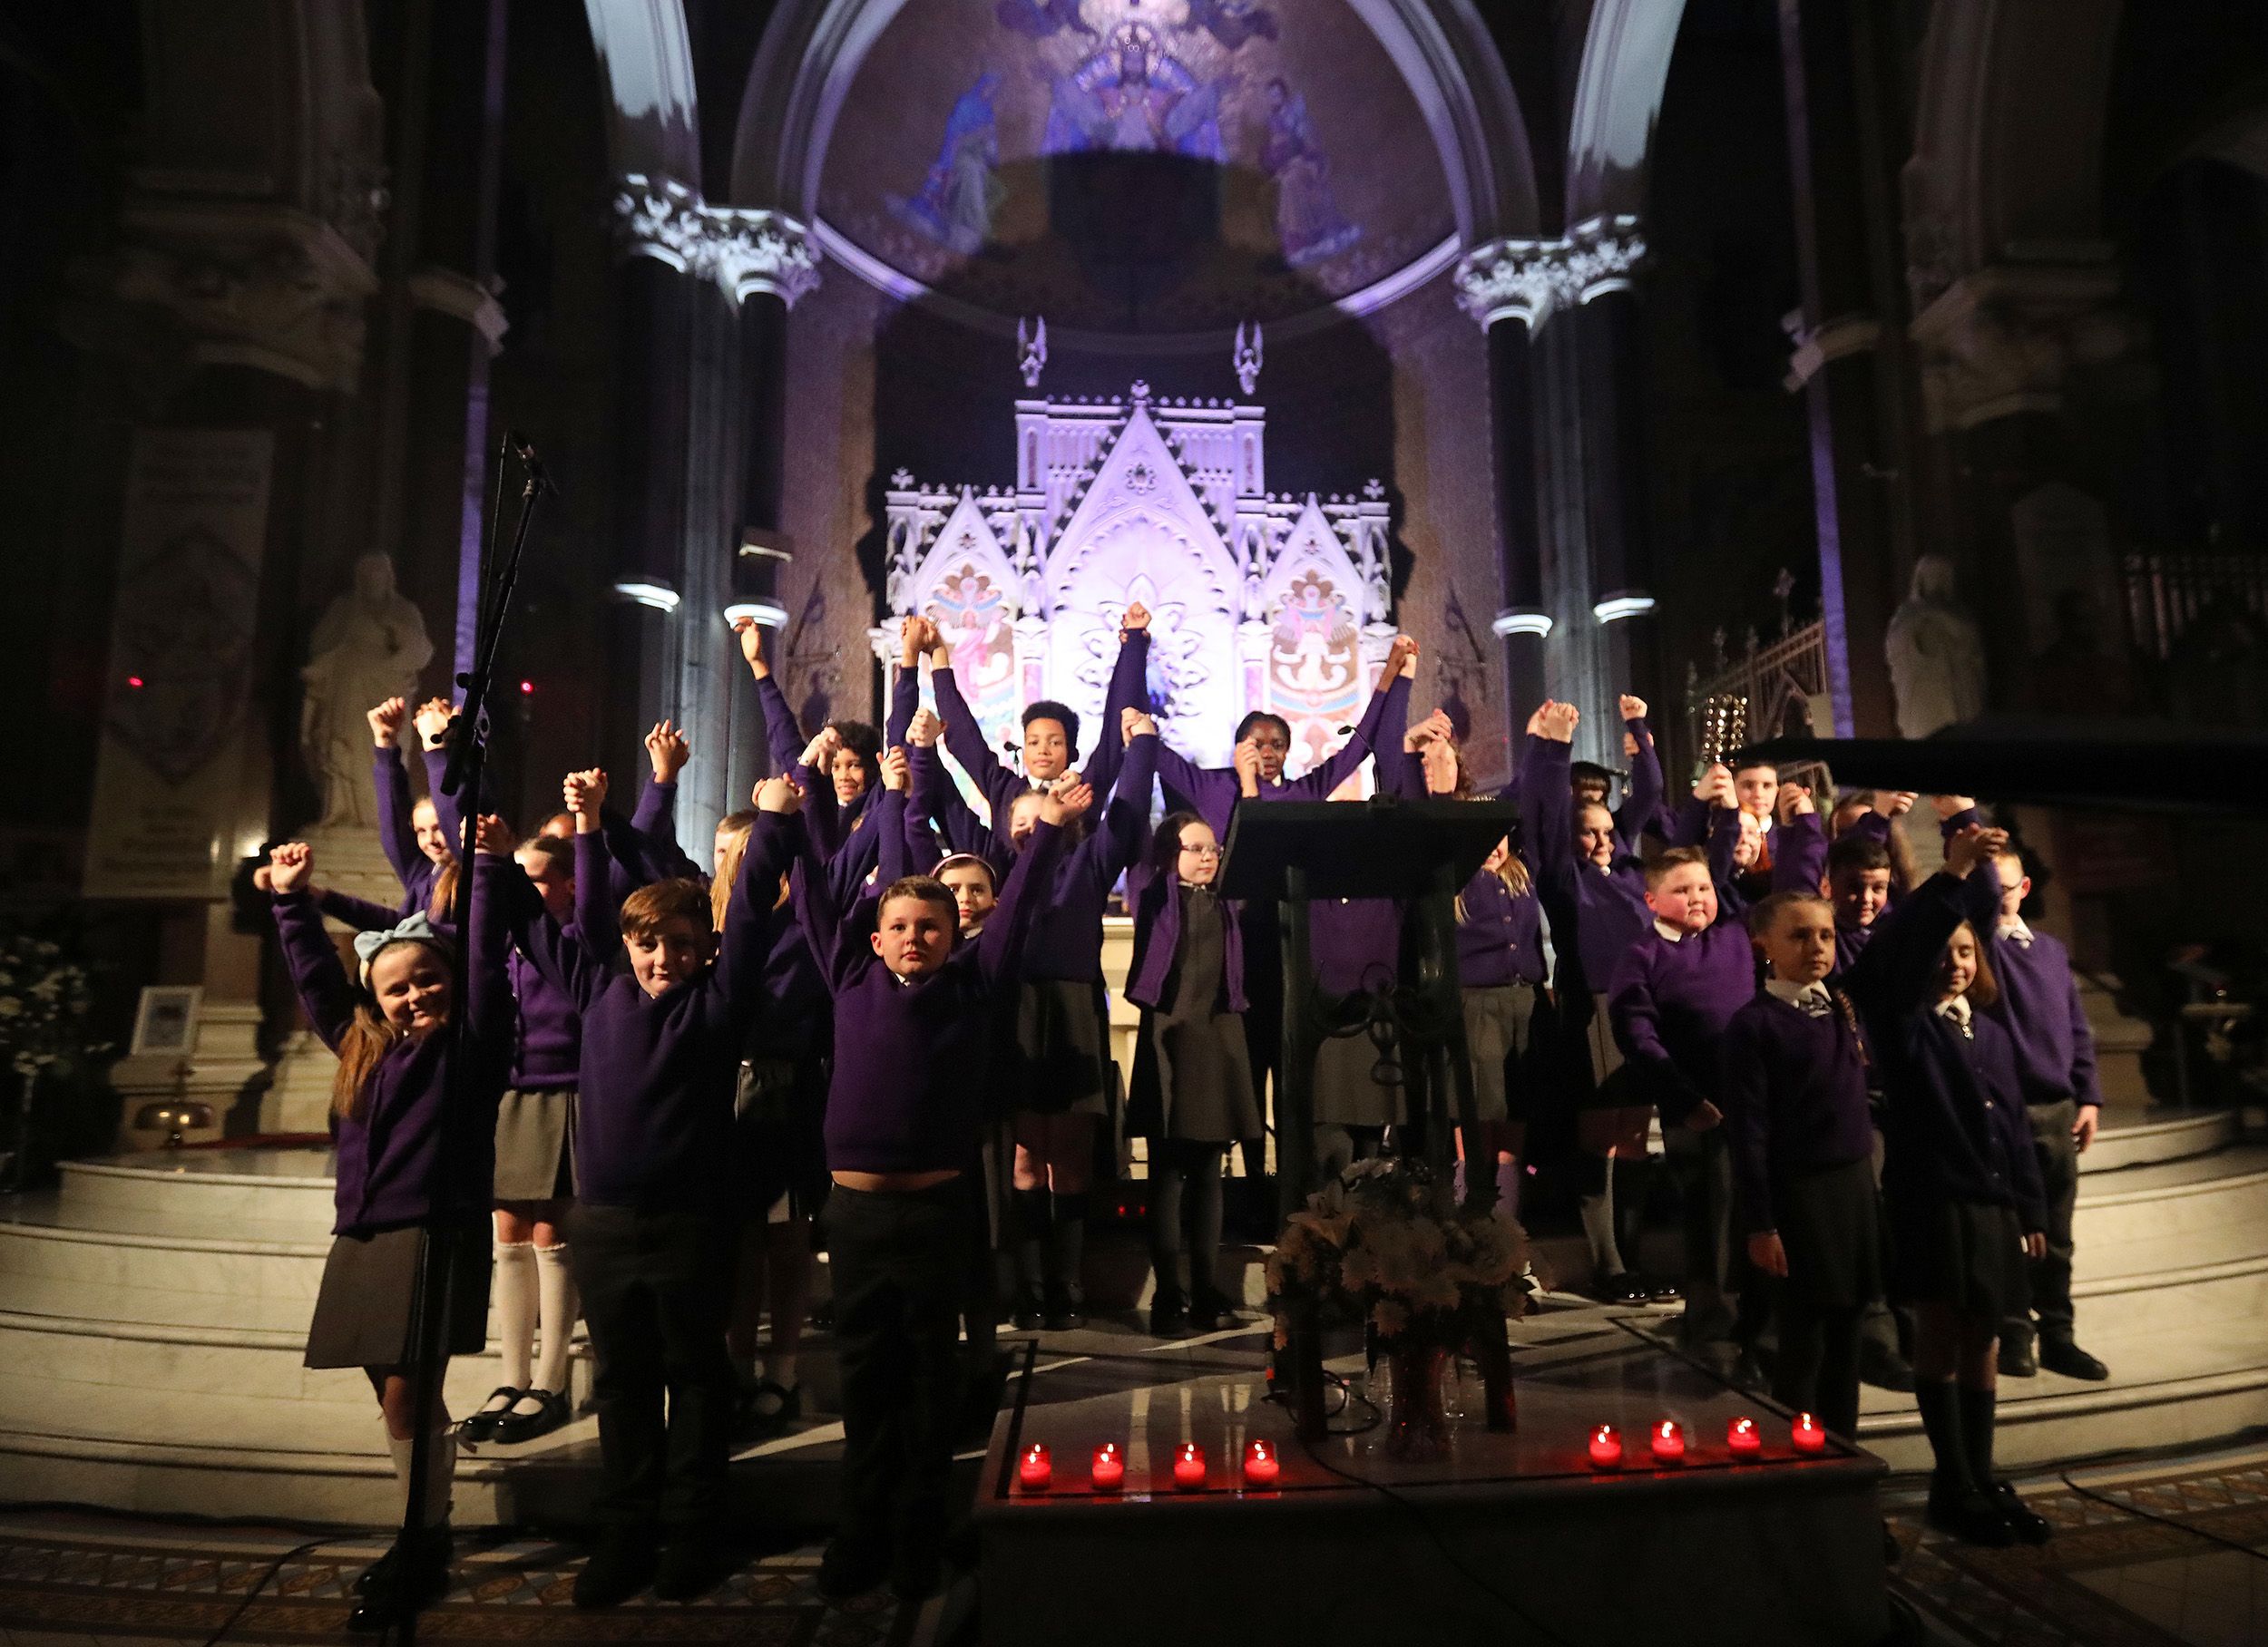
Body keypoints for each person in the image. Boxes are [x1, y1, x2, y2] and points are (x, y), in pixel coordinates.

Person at [508, 768, 801, 1608]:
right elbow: (528, 917)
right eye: (648, 944)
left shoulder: (720, 1000)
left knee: (697, 1379)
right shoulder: (597, 989)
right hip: (603, 1222)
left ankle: (694, 1533)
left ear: (704, 950)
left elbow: (751, 912)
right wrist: (494, 849)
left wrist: (775, 822)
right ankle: (626, 1533)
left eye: (679, 943)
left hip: (692, 1223)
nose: (662, 957)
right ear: (627, 946)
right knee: (623, 1382)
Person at [793, 773, 1077, 1603]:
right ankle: (861, 1529)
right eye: (900, 927)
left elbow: (1018, 908)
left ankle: (918, 1530)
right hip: (856, 1214)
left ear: (954, 937)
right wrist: (790, 818)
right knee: (864, 1375)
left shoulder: (974, 986)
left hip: (934, 1212)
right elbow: (810, 895)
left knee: (926, 1377)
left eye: (929, 927)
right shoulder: (850, 977)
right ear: (875, 939)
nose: (913, 937)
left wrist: (1048, 831)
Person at [265, 826, 511, 1632]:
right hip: (367, 1235)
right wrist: (290, 903)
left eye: (429, 979)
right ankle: (425, 1523)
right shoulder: (360, 1049)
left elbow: (484, 960)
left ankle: (422, 1538)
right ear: (376, 999)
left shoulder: (472, 1045)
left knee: (408, 1393)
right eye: (398, 988)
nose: (416, 996)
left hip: (432, 1230)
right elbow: (316, 982)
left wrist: (485, 868)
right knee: (395, 1393)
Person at [1865, 824, 2052, 1547]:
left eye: (1966, 952)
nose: (1954, 964)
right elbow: (1907, 953)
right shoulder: (1907, 1027)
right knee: (1941, 1334)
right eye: (1944, 953)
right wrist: (1950, 878)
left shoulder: (1992, 1034)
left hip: (1992, 1206)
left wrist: (2029, 1208)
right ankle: (1953, 1482)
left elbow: (2015, 1129)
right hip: (1935, 1203)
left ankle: (1981, 1470)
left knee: (1985, 1337)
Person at [1608, 785, 1824, 1376]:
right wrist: (1684, 1098)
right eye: (1683, 891)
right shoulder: (1644, 956)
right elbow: (1638, 1036)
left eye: (1704, 887)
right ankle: (1714, 1324)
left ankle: (1763, 1322)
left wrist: (1738, 812)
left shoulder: (1734, 932)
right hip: (1699, 1107)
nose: (1699, 897)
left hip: (1757, 1100)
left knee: (1761, 1211)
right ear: (1653, 900)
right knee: (1714, 1215)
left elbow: (1758, 875)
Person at [1519, 697, 1675, 1303]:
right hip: (1593, 1011)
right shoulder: (1564, 876)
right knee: (1599, 1139)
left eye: (1608, 830)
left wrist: (1639, 727)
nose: (1602, 840)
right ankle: (1608, 1263)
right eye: (1590, 832)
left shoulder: (1630, 868)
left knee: (1633, 1136)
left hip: (1640, 1010)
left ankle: (1633, 1258)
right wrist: (1553, 749)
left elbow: (1650, 791)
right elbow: (1545, 813)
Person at [1964, 831, 2110, 1384]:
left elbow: (2077, 1028)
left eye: (2003, 888)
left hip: (2057, 1108)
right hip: (2006, 1108)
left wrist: (2089, 1096)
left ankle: (2059, 1334)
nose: (1995, 897)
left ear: (2023, 888)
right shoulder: (1982, 947)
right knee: (2012, 1231)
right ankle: (2015, 1332)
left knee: (2058, 1231)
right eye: (1986, 888)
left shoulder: (2050, 951)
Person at [1126, 778, 1261, 1337]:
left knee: (1209, 1172)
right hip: (1169, 1038)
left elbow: (1248, 834)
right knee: (1168, 1173)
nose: (1208, 856)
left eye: (1213, 848)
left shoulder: (1229, 899)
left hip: (1219, 1038)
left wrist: (1246, 786)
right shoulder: (1154, 897)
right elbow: (1135, 828)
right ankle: (1168, 1295)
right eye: (1196, 848)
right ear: (1169, 855)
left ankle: (1206, 1289)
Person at [1401, 714, 1544, 1221]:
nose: (1494, 843)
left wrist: (1538, 742)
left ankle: (1506, 1225)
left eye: (1498, 834)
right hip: (1476, 1005)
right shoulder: (1455, 877)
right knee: (1477, 1116)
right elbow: (1426, 821)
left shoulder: (1521, 874)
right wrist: (1416, 756)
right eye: (1482, 835)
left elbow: (1527, 794)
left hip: (1523, 1003)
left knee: (1515, 1118)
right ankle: (1473, 1220)